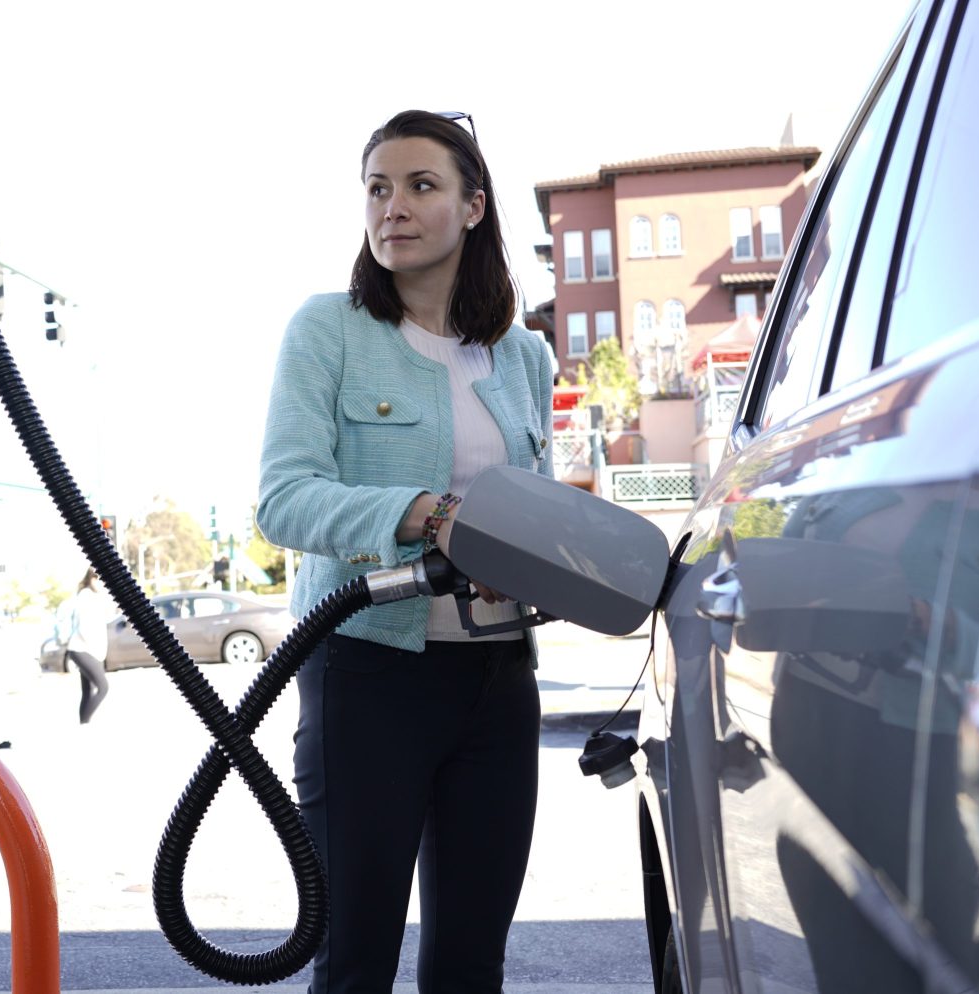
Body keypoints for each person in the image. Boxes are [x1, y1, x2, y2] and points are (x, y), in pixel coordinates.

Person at [256, 109, 555, 993]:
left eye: (421, 185)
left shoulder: (522, 356)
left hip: (499, 683)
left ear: (472, 207)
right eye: (378, 189)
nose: (393, 207)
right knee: (354, 959)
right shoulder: (330, 331)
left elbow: (535, 511)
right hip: (367, 674)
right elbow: (285, 498)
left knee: (471, 961)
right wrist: (427, 513)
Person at [61, 567, 112, 723]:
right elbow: (85, 627)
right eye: (101, 580)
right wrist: (96, 652)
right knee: (103, 687)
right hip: (82, 649)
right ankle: (85, 724)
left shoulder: (90, 596)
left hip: (83, 649)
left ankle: (83, 722)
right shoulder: (87, 596)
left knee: (88, 689)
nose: (104, 585)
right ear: (92, 579)